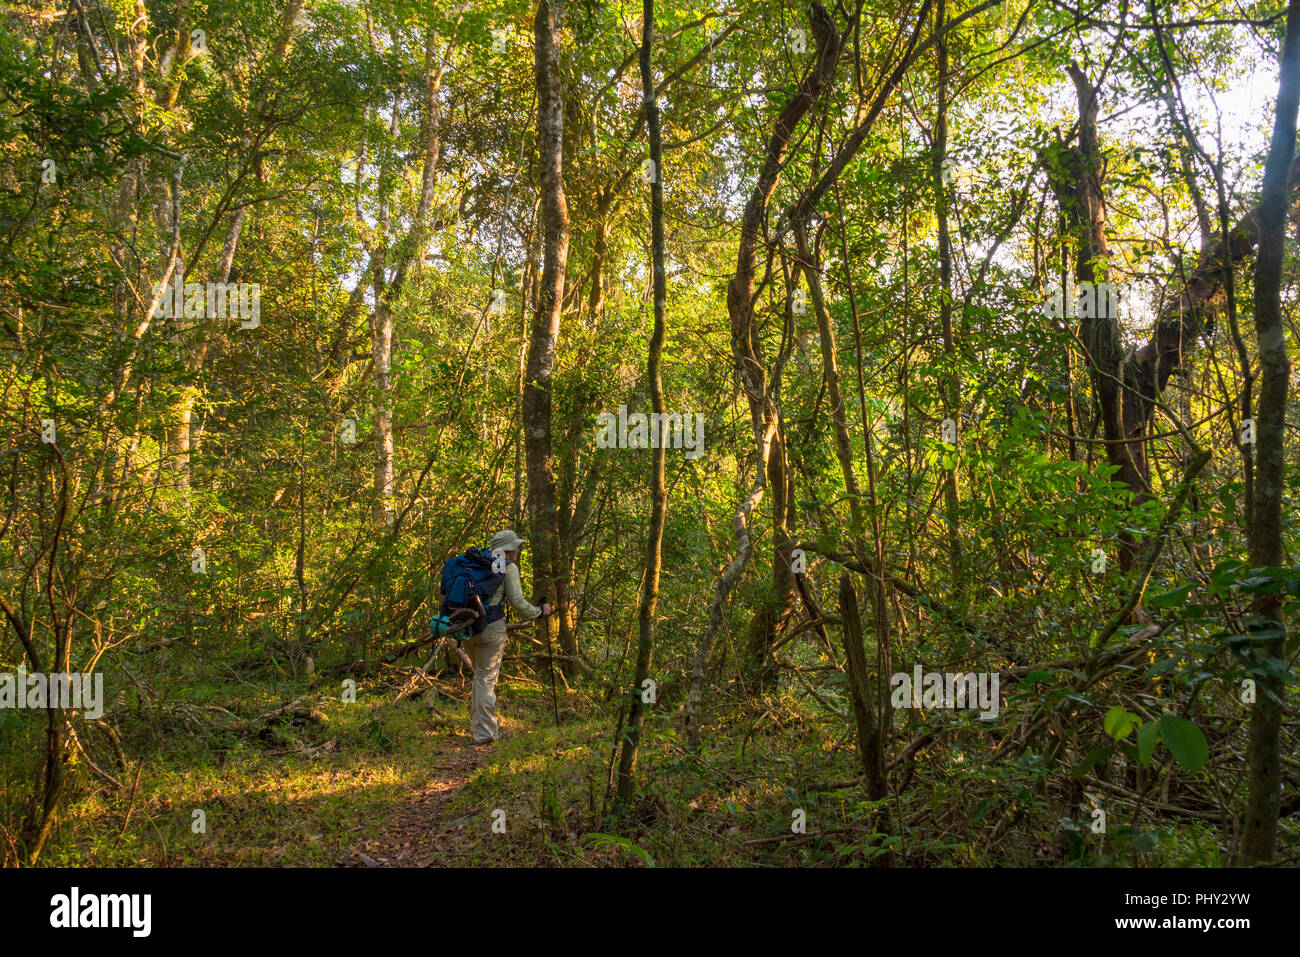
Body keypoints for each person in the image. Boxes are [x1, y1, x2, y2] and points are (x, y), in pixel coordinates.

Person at [462, 529, 551, 746]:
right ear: (508, 550)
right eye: (515, 546)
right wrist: (540, 612)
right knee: (485, 678)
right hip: (491, 628)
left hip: (465, 628)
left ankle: (477, 726)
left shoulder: (473, 564)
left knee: (479, 676)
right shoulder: (507, 568)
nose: (518, 550)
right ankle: (484, 733)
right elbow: (518, 602)